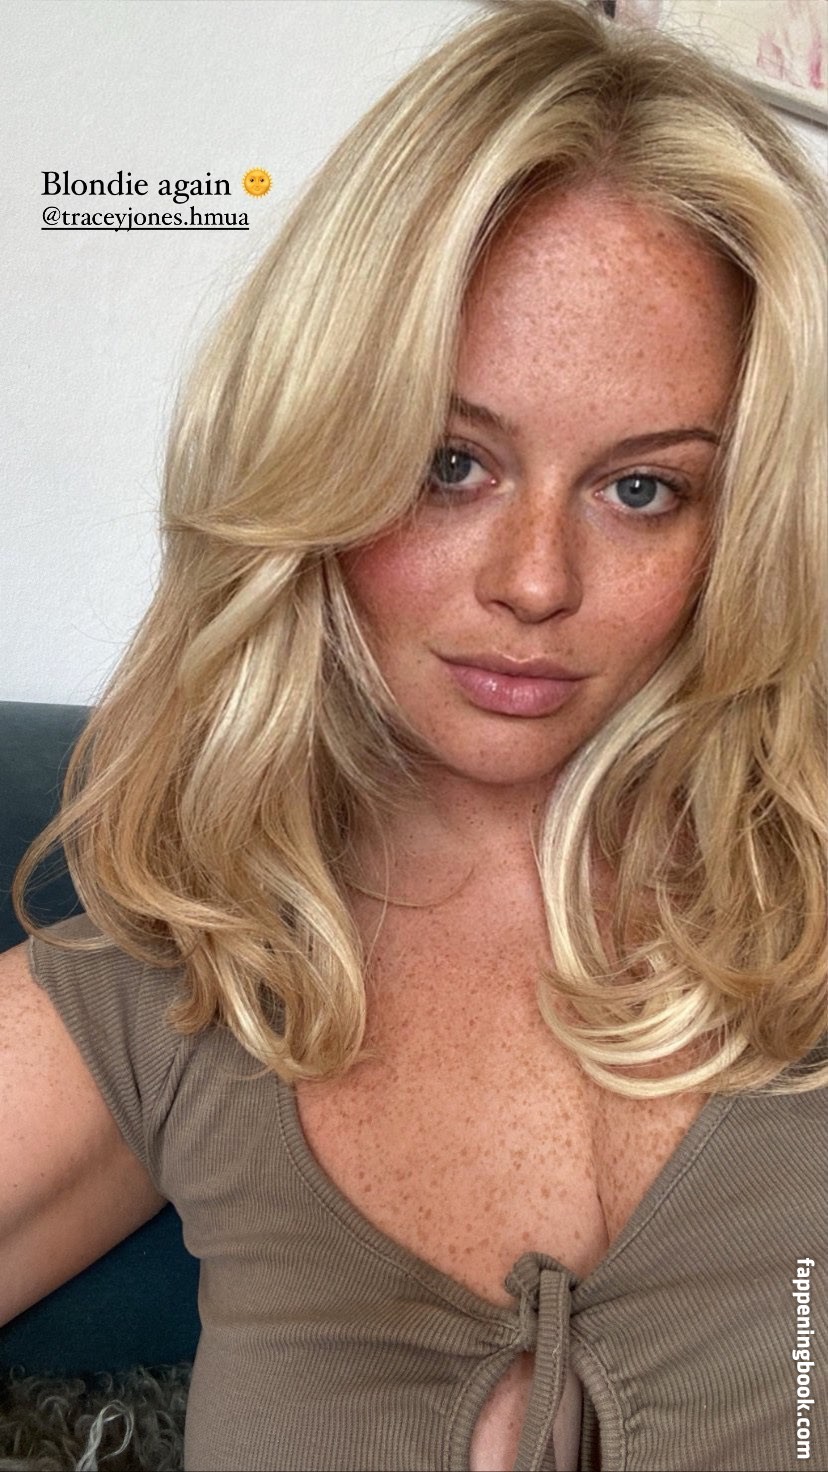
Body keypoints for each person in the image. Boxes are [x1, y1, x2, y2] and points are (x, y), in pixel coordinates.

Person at [2, 1, 826, 1468]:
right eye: (452, 463)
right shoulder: (182, 983)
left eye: (641, 489)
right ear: (319, 451)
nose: (534, 581)